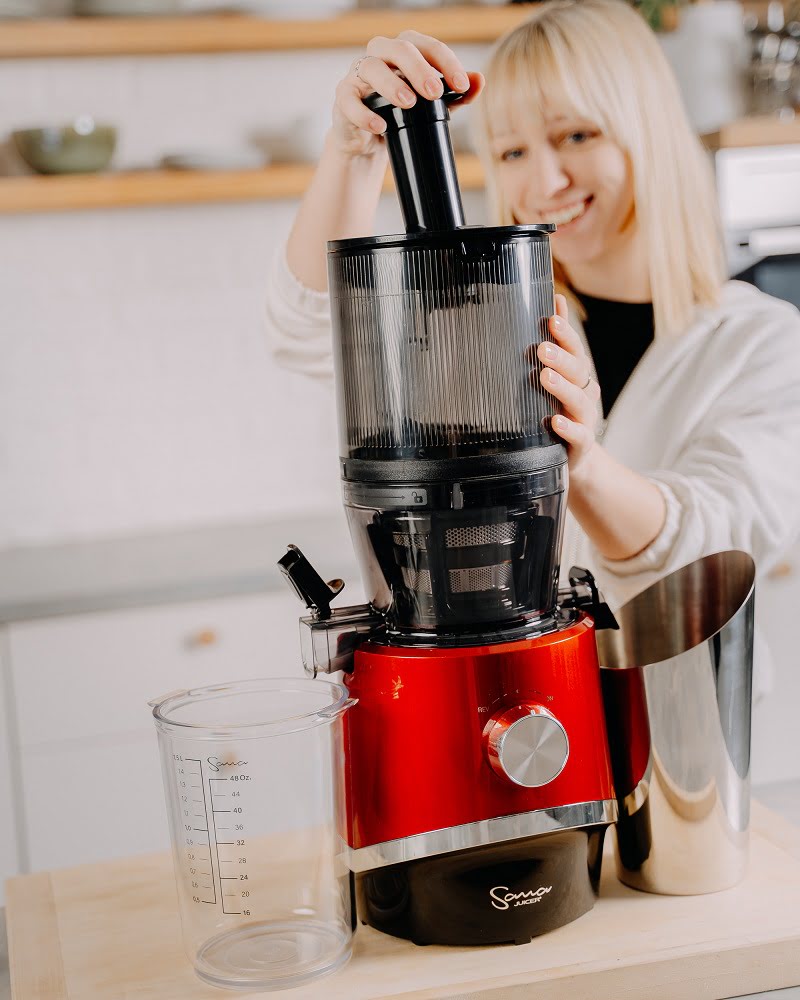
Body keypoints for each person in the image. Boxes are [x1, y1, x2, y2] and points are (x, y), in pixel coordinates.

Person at [265, 0, 800, 692]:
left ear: (650, 135)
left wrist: (581, 461)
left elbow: (718, 540)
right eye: (514, 151)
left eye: (576, 135)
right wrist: (354, 149)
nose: (544, 183)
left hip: (678, 744)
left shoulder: (762, 343)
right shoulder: (482, 323)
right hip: (500, 711)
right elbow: (305, 329)